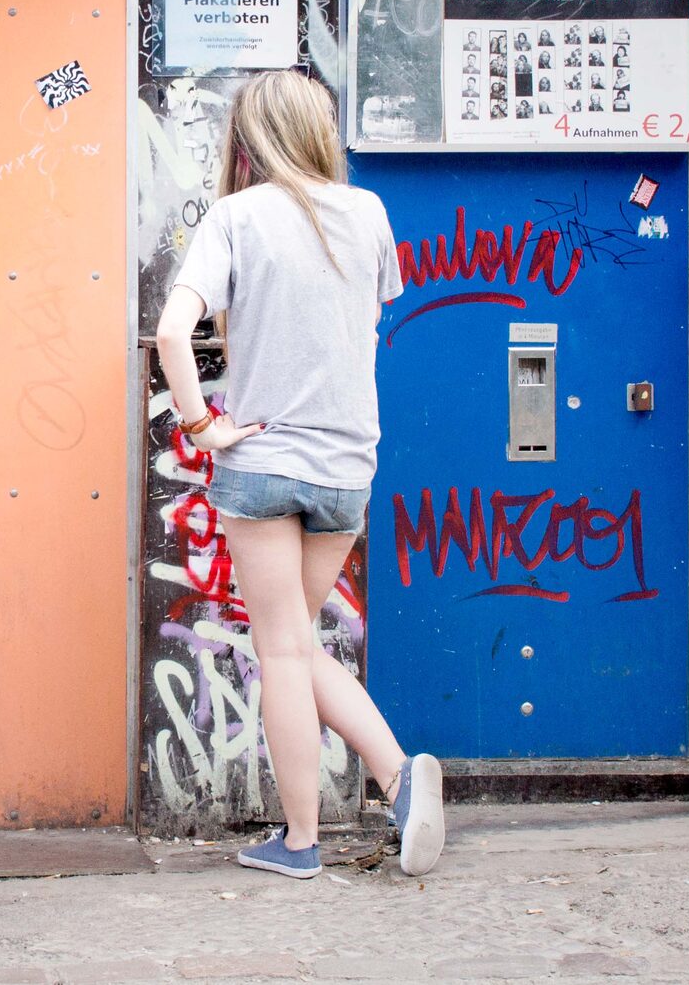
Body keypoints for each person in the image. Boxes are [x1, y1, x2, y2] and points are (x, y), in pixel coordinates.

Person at [155, 70, 444, 880]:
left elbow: (173, 334)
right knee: (300, 639)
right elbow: (374, 308)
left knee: (281, 648)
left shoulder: (236, 216)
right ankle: (397, 779)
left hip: (262, 462)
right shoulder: (370, 213)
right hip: (346, 466)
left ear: (248, 140)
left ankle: (301, 840)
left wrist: (202, 424)